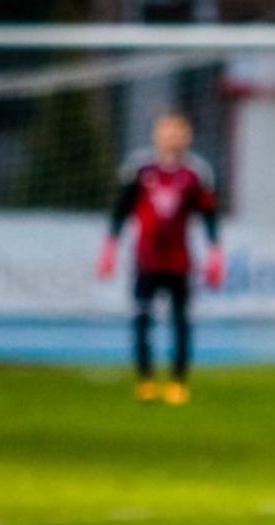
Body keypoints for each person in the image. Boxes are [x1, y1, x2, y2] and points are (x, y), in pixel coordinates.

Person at [97, 111, 223, 405]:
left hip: (179, 262)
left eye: (178, 131)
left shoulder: (196, 172)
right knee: (142, 319)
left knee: (181, 322)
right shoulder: (139, 168)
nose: (172, 136)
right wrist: (110, 247)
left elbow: (209, 215)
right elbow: (121, 210)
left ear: (187, 135)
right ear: (157, 134)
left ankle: (178, 382)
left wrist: (215, 251)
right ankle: (146, 380)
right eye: (167, 131)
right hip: (146, 260)